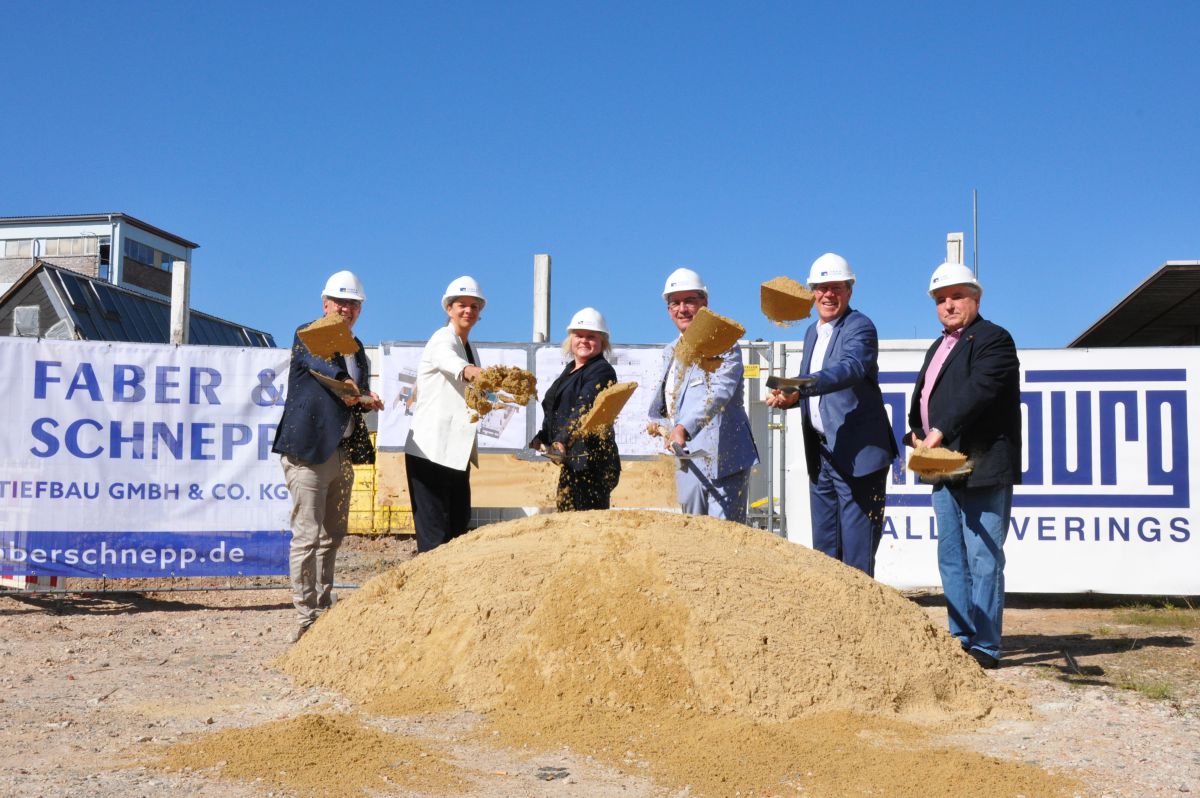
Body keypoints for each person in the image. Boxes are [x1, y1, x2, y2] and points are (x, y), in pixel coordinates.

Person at [907, 262, 1021, 670]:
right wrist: (916, 432)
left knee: (984, 556)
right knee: (951, 555)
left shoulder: (994, 340)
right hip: (943, 466)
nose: (948, 304)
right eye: (941, 298)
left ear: (976, 297)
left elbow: (978, 391)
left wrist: (938, 428)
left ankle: (986, 645)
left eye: (956, 296)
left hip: (984, 464)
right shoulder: (937, 348)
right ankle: (960, 636)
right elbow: (925, 398)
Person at [765, 253, 898, 577]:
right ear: (812, 293)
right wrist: (790, 397)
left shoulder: (860, 326)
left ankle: (862, 625)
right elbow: (812, 390)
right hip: (822, 454)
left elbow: (851, 368)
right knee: (824, 555)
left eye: (836, 287)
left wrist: (802, 386)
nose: (828, 294)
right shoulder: (812, 332)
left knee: (856, 557)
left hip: (858, 456)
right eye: (821, 288)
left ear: (849, 291)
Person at [273, 270, 383, 643]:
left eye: (353, 304)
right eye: (341, 302)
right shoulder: (311, 333)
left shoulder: (358, 348)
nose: (347, 309)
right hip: (308, 453)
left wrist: (366, 397)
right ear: (325, 305)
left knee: (331, 535)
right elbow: (323, 366)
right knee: (307, 535)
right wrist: (350, 384)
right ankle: (306, 615)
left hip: (342, 452)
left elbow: (353, 391)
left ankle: (322, 607)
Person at [649, 267, 759, 522]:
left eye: (690, 301)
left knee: (726, 543)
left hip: (725, 457)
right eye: (675, 303)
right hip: (688, 462)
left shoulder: (724, 343)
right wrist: (662, 423)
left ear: (704, 304)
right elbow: (671, 400)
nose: (682, 309)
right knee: (694, 541)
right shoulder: (670, 351)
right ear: (668, 310)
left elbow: (719, 392)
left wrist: (683, 428)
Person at [404, 276, 486, 553]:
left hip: (456, 451)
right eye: (462, 305)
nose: (468, 311)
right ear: (448, 309)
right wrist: (477, 374)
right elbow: (450, 363)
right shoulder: (443, 338)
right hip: (431, 451)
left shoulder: (470, 347)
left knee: (457, 530)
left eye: (474, 306)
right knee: (435, 537)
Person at [529, 308, 622, 511]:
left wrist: (561, 441)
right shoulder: (570, 370)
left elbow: (584, 409)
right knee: (567, 521)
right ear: (570, 339)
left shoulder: (601, 371)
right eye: (578, 336)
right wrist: (543, 437)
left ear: (602, 341)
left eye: (591, 336)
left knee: (587, 526)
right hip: (574, 463)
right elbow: (555, 409)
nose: (584, 341)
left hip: (592, 463)